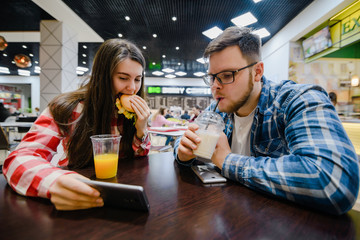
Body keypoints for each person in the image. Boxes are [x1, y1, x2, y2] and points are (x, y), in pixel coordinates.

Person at [174, 26, 359, 215]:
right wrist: (183, 152)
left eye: (227, 76)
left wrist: (227, 161)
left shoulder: (297, 100)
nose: (215, 87)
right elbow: (183, 142)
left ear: (257, 72)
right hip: (231, 218)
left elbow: (334, 182)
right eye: (212, 77)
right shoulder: (218, 109)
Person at [3, 39, 151, 211]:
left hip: (125, 197)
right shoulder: (67, 107)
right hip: (78, 194)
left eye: (138, 79)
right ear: (102, 76)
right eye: (123, 78)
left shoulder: (131, 114)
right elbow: (20, 158)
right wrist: (53, 182)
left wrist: (141, 129)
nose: (132, 88)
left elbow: (141, 156)